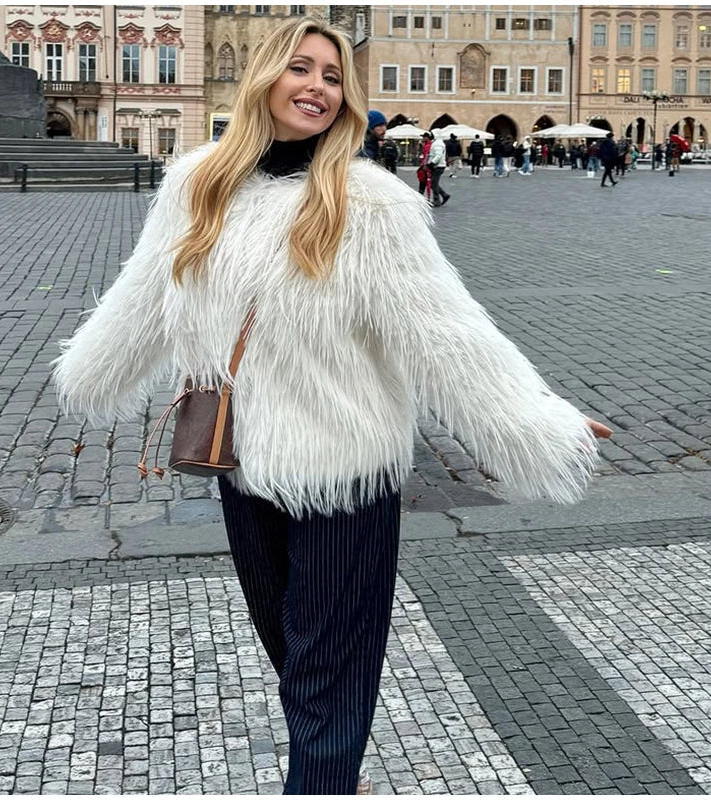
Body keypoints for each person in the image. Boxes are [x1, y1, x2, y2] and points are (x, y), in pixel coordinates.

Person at [52, 17, 611, 795]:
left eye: (333, 75)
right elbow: (145, 295)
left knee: (326, 675)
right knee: (296, 658)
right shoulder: (197, 183)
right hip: (242, 464)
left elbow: (443, 331)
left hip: (346, 473)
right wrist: (89, 371)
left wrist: (533, 421)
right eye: (302, 68)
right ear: (265, 75)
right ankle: (330, 764)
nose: (317, 86)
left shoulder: (372, 203)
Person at [426, 132, 450, 206]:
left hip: (438, 166)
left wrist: (432, 163)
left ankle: (437, 200)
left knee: (433, 184)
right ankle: (444, 195)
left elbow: (438, 155)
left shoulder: (437, 144)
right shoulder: (437, 143)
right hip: (438, 165)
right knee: (434, 183)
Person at [417, 130, 433, 201]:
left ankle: (421, 194)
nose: (422, 138)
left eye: (423, 137)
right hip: (426, 166)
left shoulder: (428, 146)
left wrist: (424, 165)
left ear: (427, 138)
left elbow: (426, 156)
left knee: (423, 181)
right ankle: (422, 194)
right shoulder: (427, 145)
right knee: (425, 181)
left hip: (425, 166)